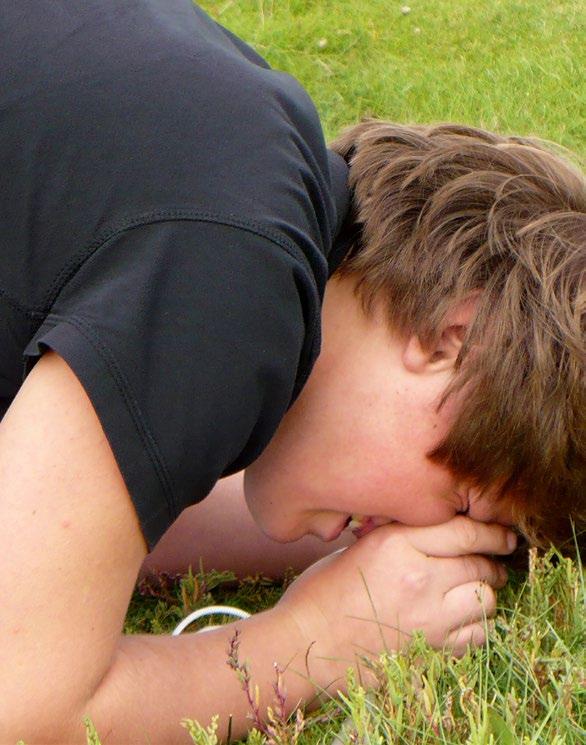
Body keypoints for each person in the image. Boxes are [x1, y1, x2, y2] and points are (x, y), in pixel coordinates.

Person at [1, 3, 583, 745]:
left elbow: (71, 513)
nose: (429, 527)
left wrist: (371, 567)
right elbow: (17, 702)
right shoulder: (236, 270)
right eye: (462, 502)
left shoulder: (254, 163)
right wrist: (311, 643)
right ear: (453, 340)